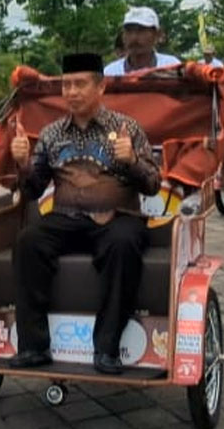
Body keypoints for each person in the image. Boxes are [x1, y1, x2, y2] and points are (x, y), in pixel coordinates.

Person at [9, 53, 161, 375]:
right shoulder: (51, 134)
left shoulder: (126, 127)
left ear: (101, 87)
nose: (72, 92)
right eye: (66, 85)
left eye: (80, 84)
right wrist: (22, 165)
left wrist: (131, 159)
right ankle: (34, 347)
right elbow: (34, 190)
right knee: (28, 241)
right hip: (66, 217)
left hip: (117, 217)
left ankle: (107, 349)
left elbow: (152, 184)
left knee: (123, 243)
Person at [103, 8, 180, 75]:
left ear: (157, 35)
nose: (134, 37)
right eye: (129, 31)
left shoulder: (172, 67)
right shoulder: (109, 73)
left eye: (141, 31)